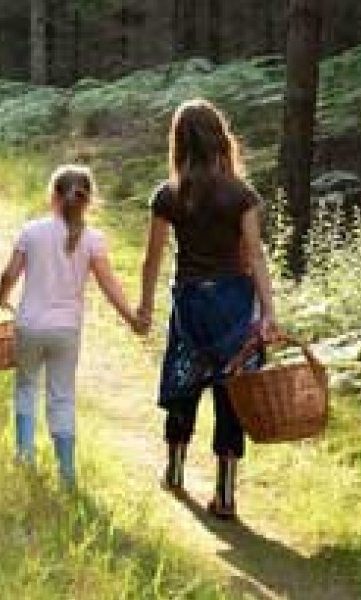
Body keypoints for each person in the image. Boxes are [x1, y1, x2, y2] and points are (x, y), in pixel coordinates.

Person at [136, 98, 283, 519]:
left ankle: (176, 470)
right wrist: (268, 312)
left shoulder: (168, 195)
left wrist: (145, 307)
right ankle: (225, 494)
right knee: (231, 390)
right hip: (235, 303)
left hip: (190, 303)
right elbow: (255, 255)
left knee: (184, 380)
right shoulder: (242, 194)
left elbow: (153, 258)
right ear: (221, 138)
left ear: (179, 141)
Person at [0, 164, 141, 489]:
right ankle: (67, 473)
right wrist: (132, 318)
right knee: (62, 396)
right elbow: (109, 285)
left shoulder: (32, 231)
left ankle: (25, 453)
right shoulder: (93, 240)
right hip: (66, 331)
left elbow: (9, 275)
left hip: (29, 326)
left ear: (54, 197)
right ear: (87, 201)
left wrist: (1, 297)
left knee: (26, 387)